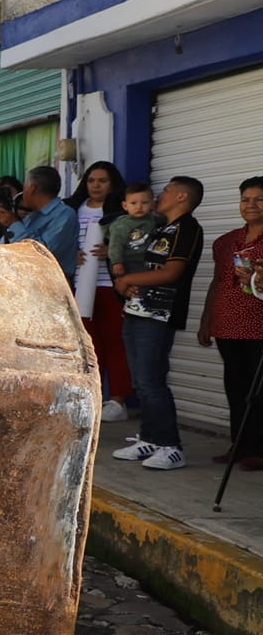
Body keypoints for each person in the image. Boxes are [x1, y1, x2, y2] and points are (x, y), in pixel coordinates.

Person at [111, 177, 206, 472]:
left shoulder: (187, 228)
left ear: (180, 196)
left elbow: (171, 273)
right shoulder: (161, 227)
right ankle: (149, 438)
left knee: (152, 380)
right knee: (141, 379)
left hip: (160, 314)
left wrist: (127, 280)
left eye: (165, 191)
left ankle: (170, 445)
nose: (159, 195)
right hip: (139, 310)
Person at [198, 177, 263, 472]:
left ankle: (259, 450)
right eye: (245, 199)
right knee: (234, 387)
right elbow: (217, 282)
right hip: (227, 325)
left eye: (259, 199)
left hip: (258, 327)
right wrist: (206, 320)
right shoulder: (225, 242)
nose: (250, 205)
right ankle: (238, 445)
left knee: (258, 390)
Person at [67, 162, 132, 422]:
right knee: (89, 345)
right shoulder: (73, 209)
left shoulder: (122, 211)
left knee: (115, 343)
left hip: (109, 285)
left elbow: (136, 242)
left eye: (103, 181)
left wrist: (113, 251)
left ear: (113, 184)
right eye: (92, 180)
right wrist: (72, 254)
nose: (96, 185)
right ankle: (93, 396)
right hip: (81, 285)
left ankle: (118, 400)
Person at [6, 166, 77, 280]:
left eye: (24, 187)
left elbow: (43, 252)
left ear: (32, 188)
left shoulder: (64, 215)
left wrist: (14, 223)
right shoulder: (33, 216)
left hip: (52, 284)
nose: (23, 193)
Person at [105, 183, 162, 304]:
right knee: (138, 286)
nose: (139, 207)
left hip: (144, 260)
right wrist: (117, 262)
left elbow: (168, 220)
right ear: (125, 205)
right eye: (134, 203)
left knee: (147, 282)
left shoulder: (153, 219)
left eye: (145, 203)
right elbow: (115, 245)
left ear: (152, 204)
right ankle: (137, 305)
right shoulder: (121, 225)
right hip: (126, 261)